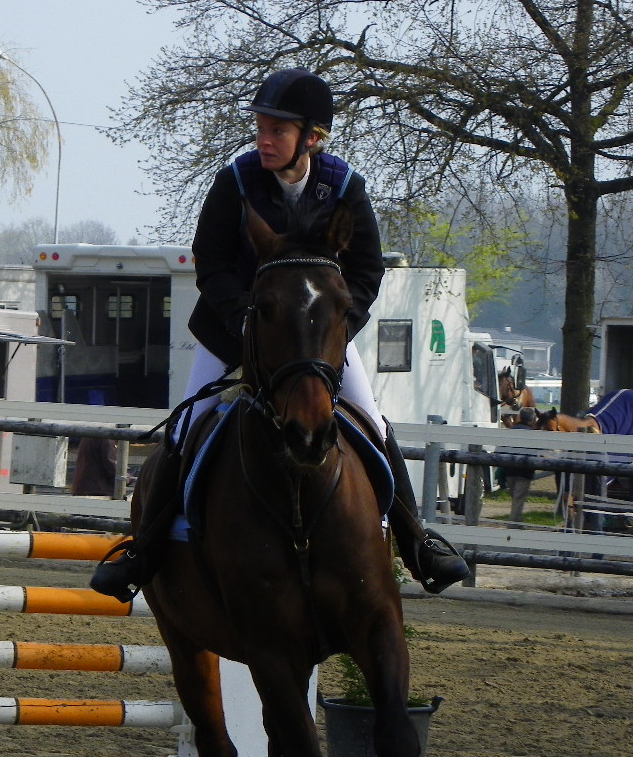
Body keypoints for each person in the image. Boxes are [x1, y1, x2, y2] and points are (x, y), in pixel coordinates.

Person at [90, 67, 469, 601]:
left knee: (375, 425)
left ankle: (415, 541)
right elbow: (211, 263)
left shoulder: (344, 187)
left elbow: (366, 272)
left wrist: (337, 330)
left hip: (314, 344)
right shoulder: (236, 181)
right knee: (186, 427)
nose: (264, 140)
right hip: (234, 332)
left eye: (277, 130)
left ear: (311, 137)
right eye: (261, 129)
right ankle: (145, 550)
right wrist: (244, 319)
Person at [505, 406, 539, 523]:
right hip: (524, 472)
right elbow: (536, 453)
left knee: (515, 498)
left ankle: (518, 521)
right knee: (518, 499)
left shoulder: (511, 431)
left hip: (509, 470)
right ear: (532, 419)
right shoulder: (533, 434)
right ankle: (513, 523)